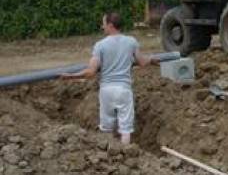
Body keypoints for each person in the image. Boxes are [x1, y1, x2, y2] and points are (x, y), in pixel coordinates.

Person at [61, 12, 158, 144]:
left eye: (104, 24)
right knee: (125, 129)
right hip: (124, 89)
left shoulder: (100, 45)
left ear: (111, 25)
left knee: (106, 128)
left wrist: (71, 76)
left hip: (106, 90)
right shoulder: (131, 41)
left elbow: (91, 72)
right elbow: (142, 62)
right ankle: (125, 154)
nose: (102, 26)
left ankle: (108, 158)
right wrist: (151, 59)